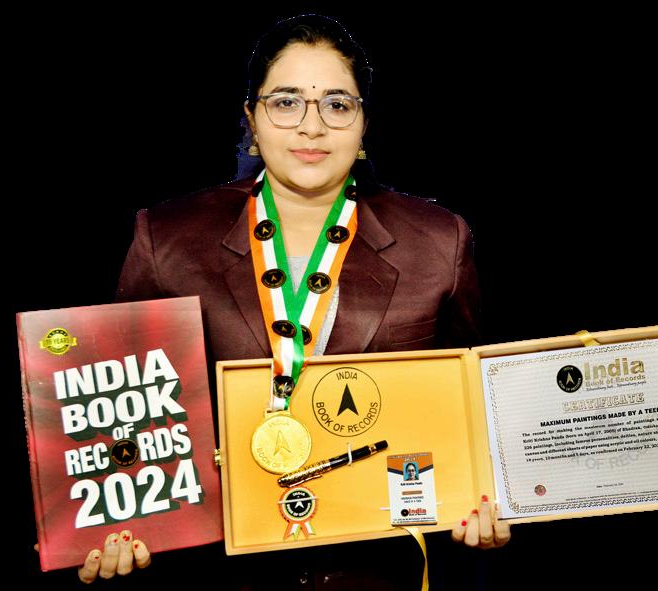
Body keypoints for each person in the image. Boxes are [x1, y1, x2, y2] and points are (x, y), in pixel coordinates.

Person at [81, 13, 511, 587]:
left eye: (337, 104)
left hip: (380, 572)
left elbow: (475, 413)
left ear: (363, 124)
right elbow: (118, 408)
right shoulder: (167, 240)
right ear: (251, 120)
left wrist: (486, 499)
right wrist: (109, 526)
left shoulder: (438, 243)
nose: (312, 127)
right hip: (218, 576)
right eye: (286, 102)